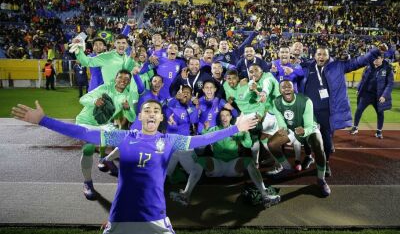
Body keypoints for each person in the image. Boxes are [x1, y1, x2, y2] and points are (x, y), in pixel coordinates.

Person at [12, 100, 258, 234]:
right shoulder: (123, 137)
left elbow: (201, 140)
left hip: (156, 218)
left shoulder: (170, 140)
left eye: (156, 111)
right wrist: (43, 120)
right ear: (140, 116)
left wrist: (236, 128)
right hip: (121, 217)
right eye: (147, 110)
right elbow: (85, 133)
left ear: (161, 119)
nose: (151, 113)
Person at [299, 44, 387, 176]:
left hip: (327, 111)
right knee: (305, 137)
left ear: (329, 56)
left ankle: (326, 163)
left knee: (326, 139)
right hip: (308, 111)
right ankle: (308, 156)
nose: (321, 57)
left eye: (324, 54)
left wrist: (376, 51)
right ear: (314, 56)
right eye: (318, 54)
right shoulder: (307, 67)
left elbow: (359, 61)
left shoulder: (338, 66)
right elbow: (290, 68)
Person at [170, 108, 281, 208]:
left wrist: (245, 133)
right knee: (200, 161)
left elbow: (248, 145)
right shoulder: (215, 129)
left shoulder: (236, 129)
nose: (224, 118)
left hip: (233, 166)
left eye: (227, 115)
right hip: (217, 165)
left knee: (249, 162)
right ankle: (185, 194)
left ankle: (265, 194)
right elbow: (203, 137)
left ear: (231, 117)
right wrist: (205, 129)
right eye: (222, 115)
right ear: (220, 117)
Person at [75, 70, 135, 200]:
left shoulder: (127, 96)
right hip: (85, 122)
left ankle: (106, 159)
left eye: (126, 79)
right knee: (88, 149)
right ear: (115, 78)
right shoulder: (104, 88)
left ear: (129, 81)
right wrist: (94, 101)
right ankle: (87, 183)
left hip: (104, 125)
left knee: (130, 141)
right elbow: (83, 98)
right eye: (120, 77)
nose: (123, 80)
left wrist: (128, 109)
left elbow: (132, 116)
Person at [267, 80, 331, 197]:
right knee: (271, 144)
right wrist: (283, 129)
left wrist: (304, 131)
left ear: (293, 89)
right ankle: (286, 168)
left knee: (318, 146)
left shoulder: (305, 101)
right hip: (292, 129)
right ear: (280, 90)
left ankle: (321, 179)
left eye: (289, 86)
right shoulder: (276, 102)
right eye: (283, 87)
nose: (286, 88)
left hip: (309, 127)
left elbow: (309, 124)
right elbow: (282, 123)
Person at [350, 56, 394, 139]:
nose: (375, 60)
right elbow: (363, 79)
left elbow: (390, 84)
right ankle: (355, 127)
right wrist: (359, 89)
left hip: (378, 96)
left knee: (380, 113)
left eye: (377, 58)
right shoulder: (368, 66)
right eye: (374, 58)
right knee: (359, 110)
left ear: (382, 59)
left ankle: (379, 131)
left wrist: (384, 95)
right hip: (366, 94)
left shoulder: (387, 69)